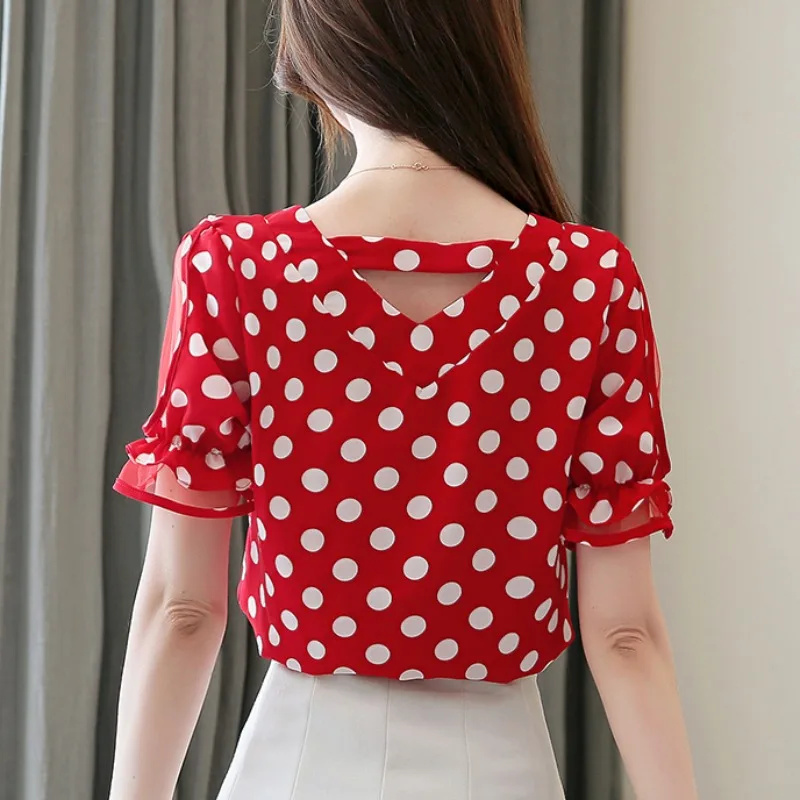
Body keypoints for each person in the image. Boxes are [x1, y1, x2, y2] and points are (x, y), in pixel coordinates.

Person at [108, 1, 698, 798]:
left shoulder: (237, 269)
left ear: (308, 59)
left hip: (297, 760)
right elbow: (625, 634)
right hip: (502, 767)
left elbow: (183, 610)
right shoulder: (588, 282)